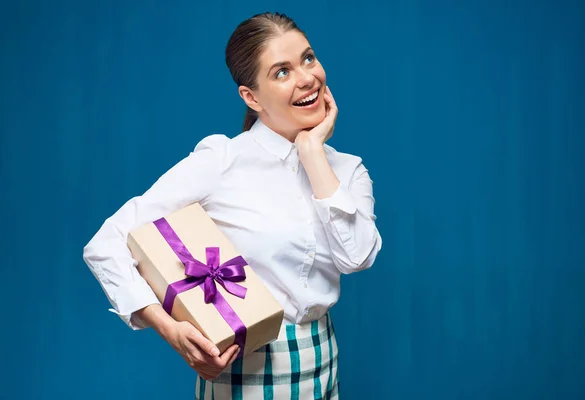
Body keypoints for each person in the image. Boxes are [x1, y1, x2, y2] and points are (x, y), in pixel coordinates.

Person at [83, 11, 382, 400]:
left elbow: (356, 257)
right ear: (251, 97)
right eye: (282, 72)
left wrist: (312, 152)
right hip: (243, 370)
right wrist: (170, 329)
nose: (307, 77)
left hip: (322, 363)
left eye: (308, 58)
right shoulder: (222, 161)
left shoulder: (348, 170)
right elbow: (105, 244)